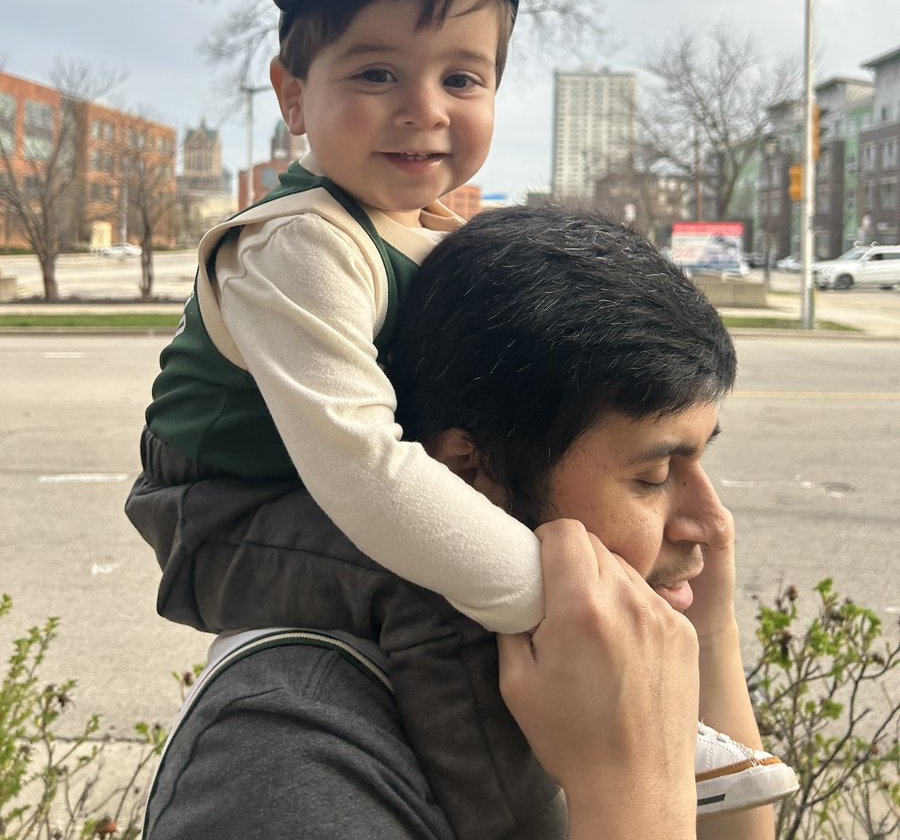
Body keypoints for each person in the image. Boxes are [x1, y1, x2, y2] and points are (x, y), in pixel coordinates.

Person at [127, 0, 795, 837]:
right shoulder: (296, 246)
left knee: (452, 573)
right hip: (220, 512)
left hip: (305, 493)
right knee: (431, 591)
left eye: (462, 78)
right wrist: (554, 596)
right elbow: (369, 473)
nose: (423, 110)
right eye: (375, 75)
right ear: (292, 95)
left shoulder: (409, 227)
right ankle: (510, 818)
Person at [139, 207, 785, 840]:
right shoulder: (288, 763)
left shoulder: (586, 663)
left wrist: (705, 632)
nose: (713, 524)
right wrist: (629, 793)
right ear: (470, 472)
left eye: (702, 460)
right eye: (653, 476)